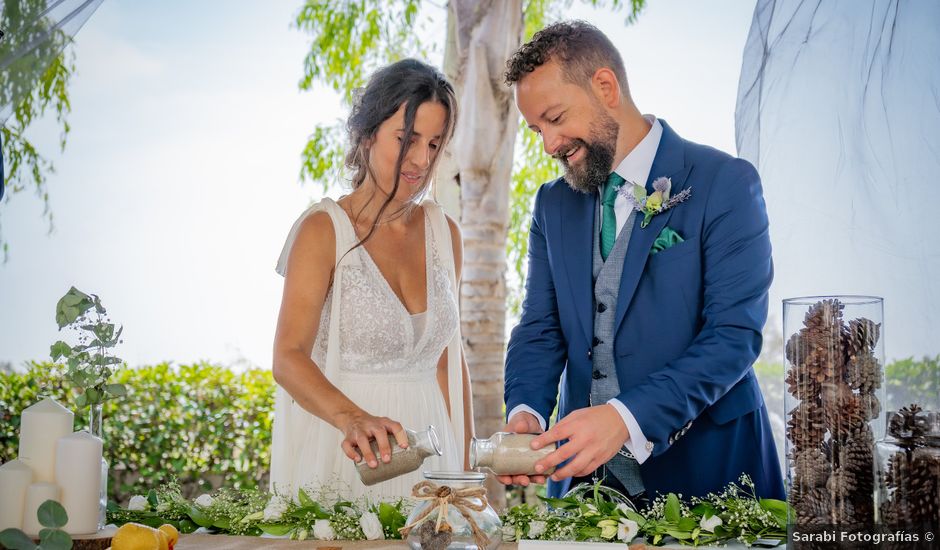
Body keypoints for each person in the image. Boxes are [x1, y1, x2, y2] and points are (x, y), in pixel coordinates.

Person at [500, 21, 785, 504]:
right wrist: (525, 410)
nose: (548, 144)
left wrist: (624, 418)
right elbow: (540, 325)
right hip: (584, 488)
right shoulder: (553, 203)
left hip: (711, 476)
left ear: (605, 87)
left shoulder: (724, 182)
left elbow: (733, 337)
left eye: (554, 117)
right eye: (536, 129)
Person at [269, 59, 474, 502]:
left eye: (435, 144)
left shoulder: (446, 234)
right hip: (345, 454)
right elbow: (288, 357)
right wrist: (353, 419)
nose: (421, 160)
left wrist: (467, 480)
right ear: (366, 135)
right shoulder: (323, 230)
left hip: (432, 459)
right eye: (407, 139)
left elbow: (448, 364)